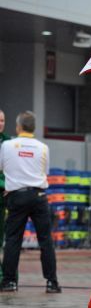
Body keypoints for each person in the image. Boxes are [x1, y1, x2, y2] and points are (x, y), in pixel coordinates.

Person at [0, 110, 62, 293]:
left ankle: (9, 282)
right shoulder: (43, 147)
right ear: (33, 128)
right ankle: (52, 282)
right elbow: (45, 171)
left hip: (16, 196)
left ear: (18, 127)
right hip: (39, 197)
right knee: (45, 241)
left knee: (12, 240)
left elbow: (2, 167)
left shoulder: (8, 145)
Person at [0, 109, 10, 271]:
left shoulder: (9, 143)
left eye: (2, 120)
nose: (0, 124)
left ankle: (7, 275)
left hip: (5, 196)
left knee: (4, 237)